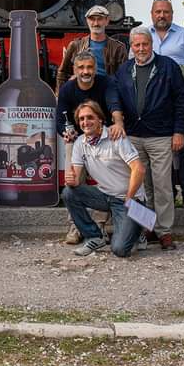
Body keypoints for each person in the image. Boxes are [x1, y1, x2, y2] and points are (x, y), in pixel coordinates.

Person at [107, 26, 184, 251]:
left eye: (145, 44)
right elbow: (114, 95)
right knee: (141, 186)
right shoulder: (124, 70)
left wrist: (179, 130)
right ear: (131, 47)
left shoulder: (168, 67)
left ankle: (164, 231)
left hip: (161, 135)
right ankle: (146, 228)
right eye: (137, 45)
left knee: (162, 185)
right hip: (133, 135)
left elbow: (182, 99)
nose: (141, 48)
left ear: (151, 44)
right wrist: (118, 118)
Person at [63, 101, 147, 258]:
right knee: (69, 192)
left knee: (120, 250)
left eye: (90, 117)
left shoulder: (115, 136)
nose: (85, 122)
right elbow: (76, 181)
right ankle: (95, 236)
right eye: (81, 119)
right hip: (105, 196)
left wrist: (129, 199)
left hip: (128, 198)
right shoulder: (80, 142)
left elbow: (139, 169)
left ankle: (138, 226)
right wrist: (70, 179)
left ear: (100, 119)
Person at [55, 50, 118, 244]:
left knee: (106, 179)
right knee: (72, 181)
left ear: (95, 68)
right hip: (76, 139)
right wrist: (65, 132)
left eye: (89, 67)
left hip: (102, 137)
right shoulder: (67, 88)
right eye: (81, 67)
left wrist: (117, 123)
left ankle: (100, 224)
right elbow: (59, 118)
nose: (85, 71)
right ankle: (76, 225)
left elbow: (114, 104)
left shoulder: (106, 83)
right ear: (74, 69)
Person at [149, 0, 184, 213]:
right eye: (158, 12)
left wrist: (177, 71)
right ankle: (169, 194)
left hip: (181, 98)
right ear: (152, 14)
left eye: (166, 12)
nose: (162, 15)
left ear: (172, 14)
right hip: (156, 103)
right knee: (162, 150)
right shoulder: (144, 36)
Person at [55, 5, 127, 91]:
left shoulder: (118, 48)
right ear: (87, 21)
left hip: (106, 90)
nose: (96, 23)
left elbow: (124, 77)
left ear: (107, 21)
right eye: (92, 19)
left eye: (100, 19)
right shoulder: (75, 45)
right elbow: (62, 72)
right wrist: (59, 96)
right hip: (81, 89)